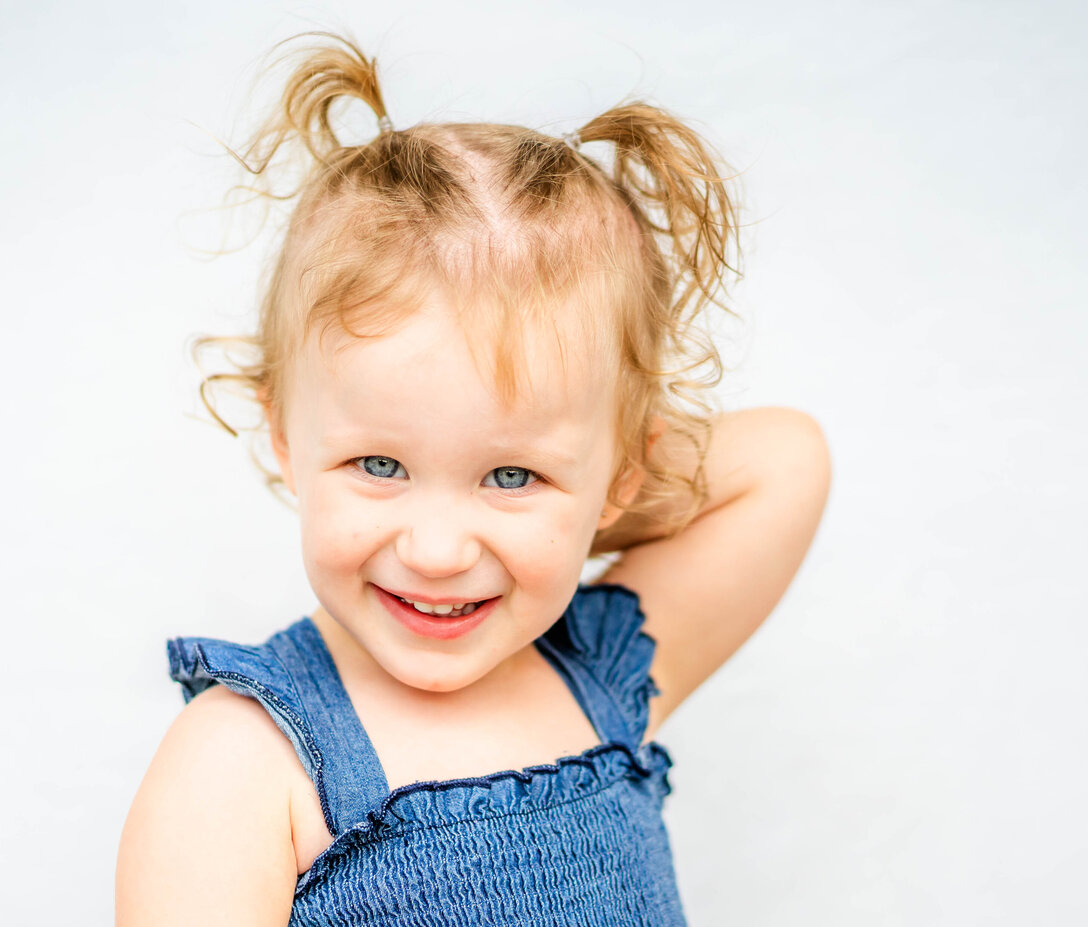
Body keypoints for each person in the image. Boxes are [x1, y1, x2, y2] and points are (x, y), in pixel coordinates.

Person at [115, 32, 831, 926]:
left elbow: (785, 459)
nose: (441, 549)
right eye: (380, 465)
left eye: (511, 471)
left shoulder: (596, 675)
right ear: (284, 439)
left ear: (621, 473)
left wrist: (569, 512)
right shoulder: (246, 763)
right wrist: (539, 504)